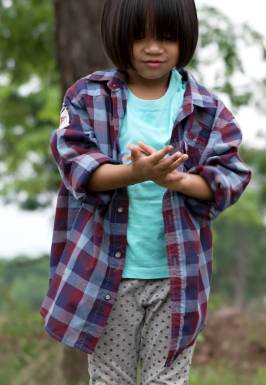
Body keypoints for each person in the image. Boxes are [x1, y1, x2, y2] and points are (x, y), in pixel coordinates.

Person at [40, 0, 252, 383]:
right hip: (106, 276)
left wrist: (178, 181)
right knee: (110, 380)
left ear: (185, 38)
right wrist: (134, 173)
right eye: (141, 36)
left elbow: (229, 176)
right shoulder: (88, 97)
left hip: (178, 279)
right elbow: (75, 164)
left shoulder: (206, 108)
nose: (153, 48)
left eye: (167, 37)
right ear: (119, 36)